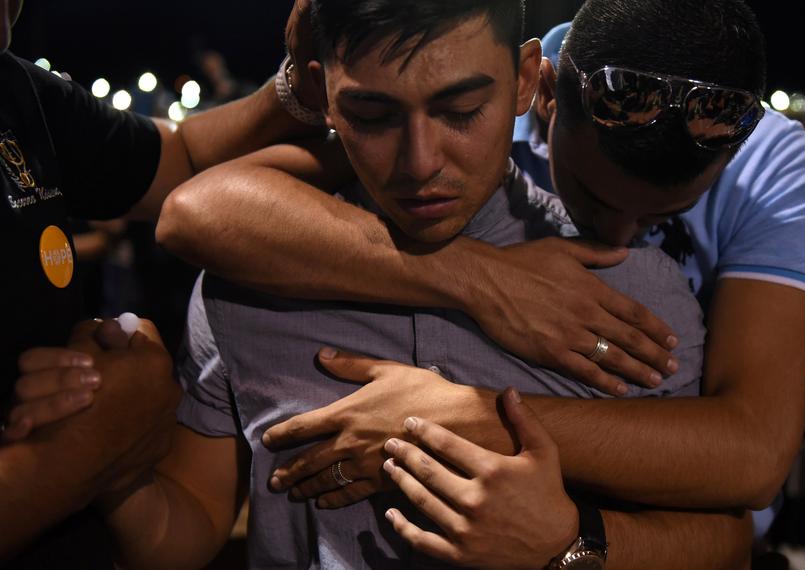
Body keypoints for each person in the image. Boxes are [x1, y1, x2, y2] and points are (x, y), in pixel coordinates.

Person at [106, 0, 752, 568]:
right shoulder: (248, 275)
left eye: (462, 110)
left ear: (527, 80)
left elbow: (721, 547)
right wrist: (110, 460)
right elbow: (185, 524)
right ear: (320, 91)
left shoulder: (633, 296)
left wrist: (566, 543)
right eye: (371, 115)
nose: (420, 164)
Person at [0, 0, 320, 564]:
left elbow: (183, 156)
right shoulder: (231, 305)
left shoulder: (17, 92)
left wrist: (301, 80)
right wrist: (86, 449)